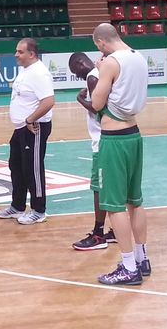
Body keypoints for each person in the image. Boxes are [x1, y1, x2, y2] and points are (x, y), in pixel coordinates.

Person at [90, 23, 150, 285]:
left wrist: (101, 67)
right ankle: (141, 257)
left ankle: (128, 267)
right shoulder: (139, 57)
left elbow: (96, 103)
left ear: (102, 43)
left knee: (114, 206)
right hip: (134, 135)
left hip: (114, 139)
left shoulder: (110, 63)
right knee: (135, 201)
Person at [0, 38, 54, 224]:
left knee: (33, 168)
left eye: (20, 52)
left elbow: (48, 101)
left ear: (32, 54)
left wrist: (30, 119)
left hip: (34, 128)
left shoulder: (39, 74)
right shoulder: (26, 70)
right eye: (16, 51)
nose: (16, 55)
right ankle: (17, 206)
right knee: (16, 165)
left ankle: (39, 210)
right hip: (21, 128)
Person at [68, 53, 116, 250]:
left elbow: (98, 109)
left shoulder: (92, 77)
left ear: (80, 63)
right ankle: (116, 230)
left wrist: (80, 99)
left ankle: (98, 234)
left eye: (75, 72)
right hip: (114, 137)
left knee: (98, 188)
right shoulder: (103, 72)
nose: (78, 76)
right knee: (115, 187)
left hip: (102, 140)